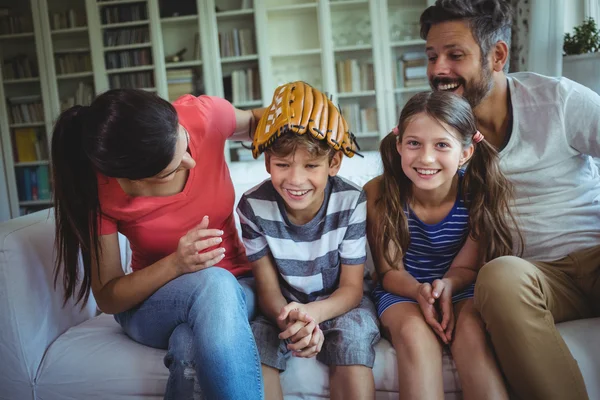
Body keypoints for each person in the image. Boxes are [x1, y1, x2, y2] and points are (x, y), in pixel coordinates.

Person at [420, 1, 600, 399]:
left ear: (497, 55)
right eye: (432, 57)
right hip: (533, 279)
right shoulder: (440, 133)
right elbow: (399, 195)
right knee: (498, 275)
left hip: (594, 253)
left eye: (455, 55)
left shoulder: (558, 100)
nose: (438, 70)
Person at [51, 88, 271, 400]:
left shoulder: (203, 116)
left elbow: (258, 122)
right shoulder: (100, 190)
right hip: (152, 306)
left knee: (188, 342)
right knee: (214, 282)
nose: (191, 162)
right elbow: (109, 298)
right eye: (173, 168)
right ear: (132, 182)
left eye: (184, 141)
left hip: (239, 287)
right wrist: (175, 264)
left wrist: (306, 115)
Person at [365, 90, 519, 399]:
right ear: (398, 145)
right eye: (414, 143)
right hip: (402, 290)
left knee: (472, 335)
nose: (426, 157)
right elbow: (389, 272)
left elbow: (467, 266)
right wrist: (420, 292)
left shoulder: (477, 192)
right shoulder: (380, 192)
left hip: (460, 287)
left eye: (442, 145)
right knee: (414, 335)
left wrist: (446, 285)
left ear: (464, 153)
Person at [236, 81, 381, 400]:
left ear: (334, 163)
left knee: (354, 335)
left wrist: (314, 314)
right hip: (281, 306)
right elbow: (267, 290)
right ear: (267, 162)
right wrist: (293, 318)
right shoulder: (252, 207)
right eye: (283, 165)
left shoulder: (351, 201)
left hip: (338, 302)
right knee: (256, 342)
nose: (295, 180)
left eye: (311, 166)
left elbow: (352, 289)